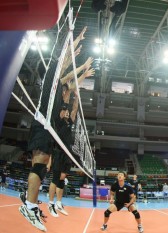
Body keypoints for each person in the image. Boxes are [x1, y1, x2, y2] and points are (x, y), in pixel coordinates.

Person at [19, 28, 88, 232]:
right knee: (40, 166)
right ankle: (29, 207)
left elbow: (69, 77)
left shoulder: (58, 88)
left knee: (42, 168)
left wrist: (78, 61)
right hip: (42, 124)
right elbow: (62, 64)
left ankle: (29, 199)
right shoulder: (51, 80)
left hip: (48, 129)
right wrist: (74, 43)